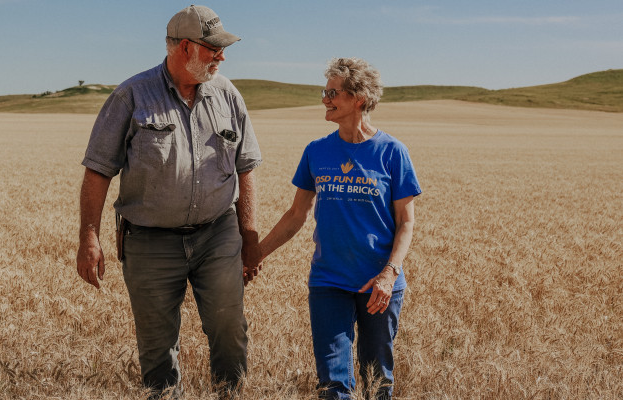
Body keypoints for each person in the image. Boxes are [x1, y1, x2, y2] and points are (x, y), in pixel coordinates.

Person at [75, 5, 262, 398]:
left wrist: (249, 236)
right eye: (214, 48)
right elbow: (97, 171)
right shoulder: (131, 95)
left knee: (230, 326)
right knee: (157, 342)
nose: (222, 56)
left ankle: (230, 393)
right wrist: (88, 237)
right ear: (184, 49)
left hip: (217, 234)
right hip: (149, 241)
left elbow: (246, 167)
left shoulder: (227, 94)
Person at [255, 57, 421, 400]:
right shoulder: (317, 151)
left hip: (379, 284)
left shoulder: (393, 152)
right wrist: (256, 253)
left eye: (332, 92)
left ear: (358, 98)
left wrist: (389, 274)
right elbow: (296, 215)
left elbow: (407, 223)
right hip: (328, 281)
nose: (325, 99)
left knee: (378, 382)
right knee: (332, 383)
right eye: (324, 91)